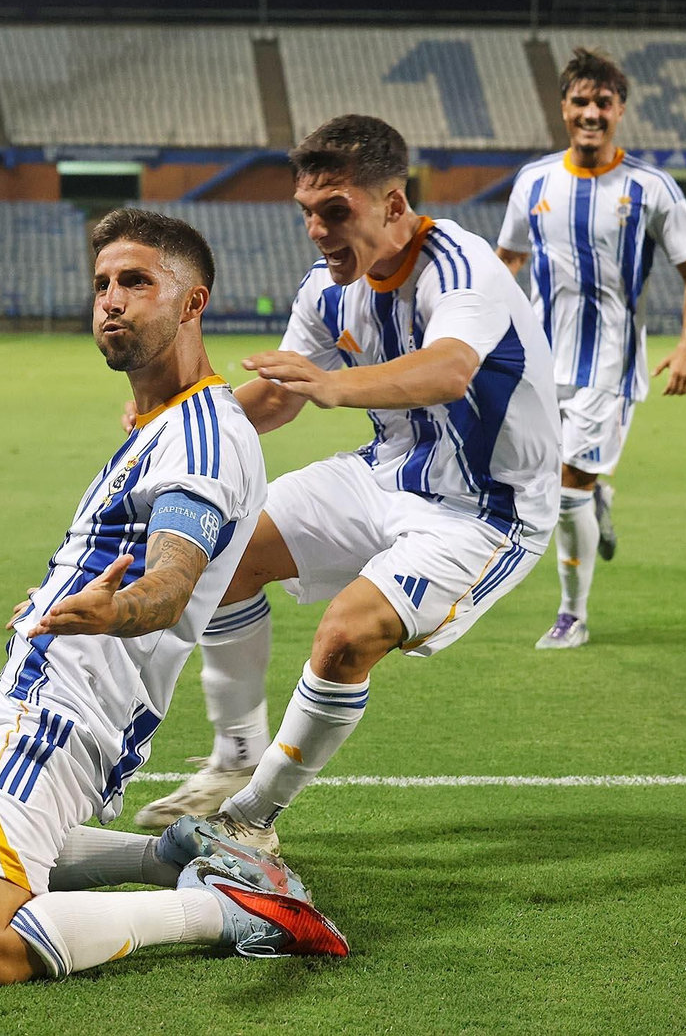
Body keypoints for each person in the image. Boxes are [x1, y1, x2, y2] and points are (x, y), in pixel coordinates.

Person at [0, 209, 347, 986]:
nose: (110, 299)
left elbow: (173, 580)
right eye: (102, 284)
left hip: (62, 712)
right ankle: (172, 850)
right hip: (25, 686)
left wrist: (117, 609)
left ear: (191, 303)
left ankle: (229, 909)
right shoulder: (162, 419)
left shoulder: (202, 436)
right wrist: (61, 593)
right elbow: (122, 547)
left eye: (136, 282)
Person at [133, 115, 559, 849]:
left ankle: (251, 821)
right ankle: (235, 757)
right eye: (307, 212)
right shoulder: (328, 290)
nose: (317, 230)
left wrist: (337, 387)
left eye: (337, 211)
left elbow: (450, 367)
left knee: (345, 636)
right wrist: (179, 423)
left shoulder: (462, 268)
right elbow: (278, 396)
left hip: (485, 508)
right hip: (385, 473)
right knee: (224, 553)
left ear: (394, 205)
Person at [494, 48, 686, 650]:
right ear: (563, 108)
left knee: (566, 491)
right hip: (539, 360)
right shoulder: (534, 181)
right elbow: (506, 259)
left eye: (603, 103)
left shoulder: (650, 187)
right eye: (580, 102)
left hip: (609, 363)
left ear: (620, 111)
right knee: (535, 482)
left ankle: (573, 615)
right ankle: (600, 495)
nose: (591, 113)